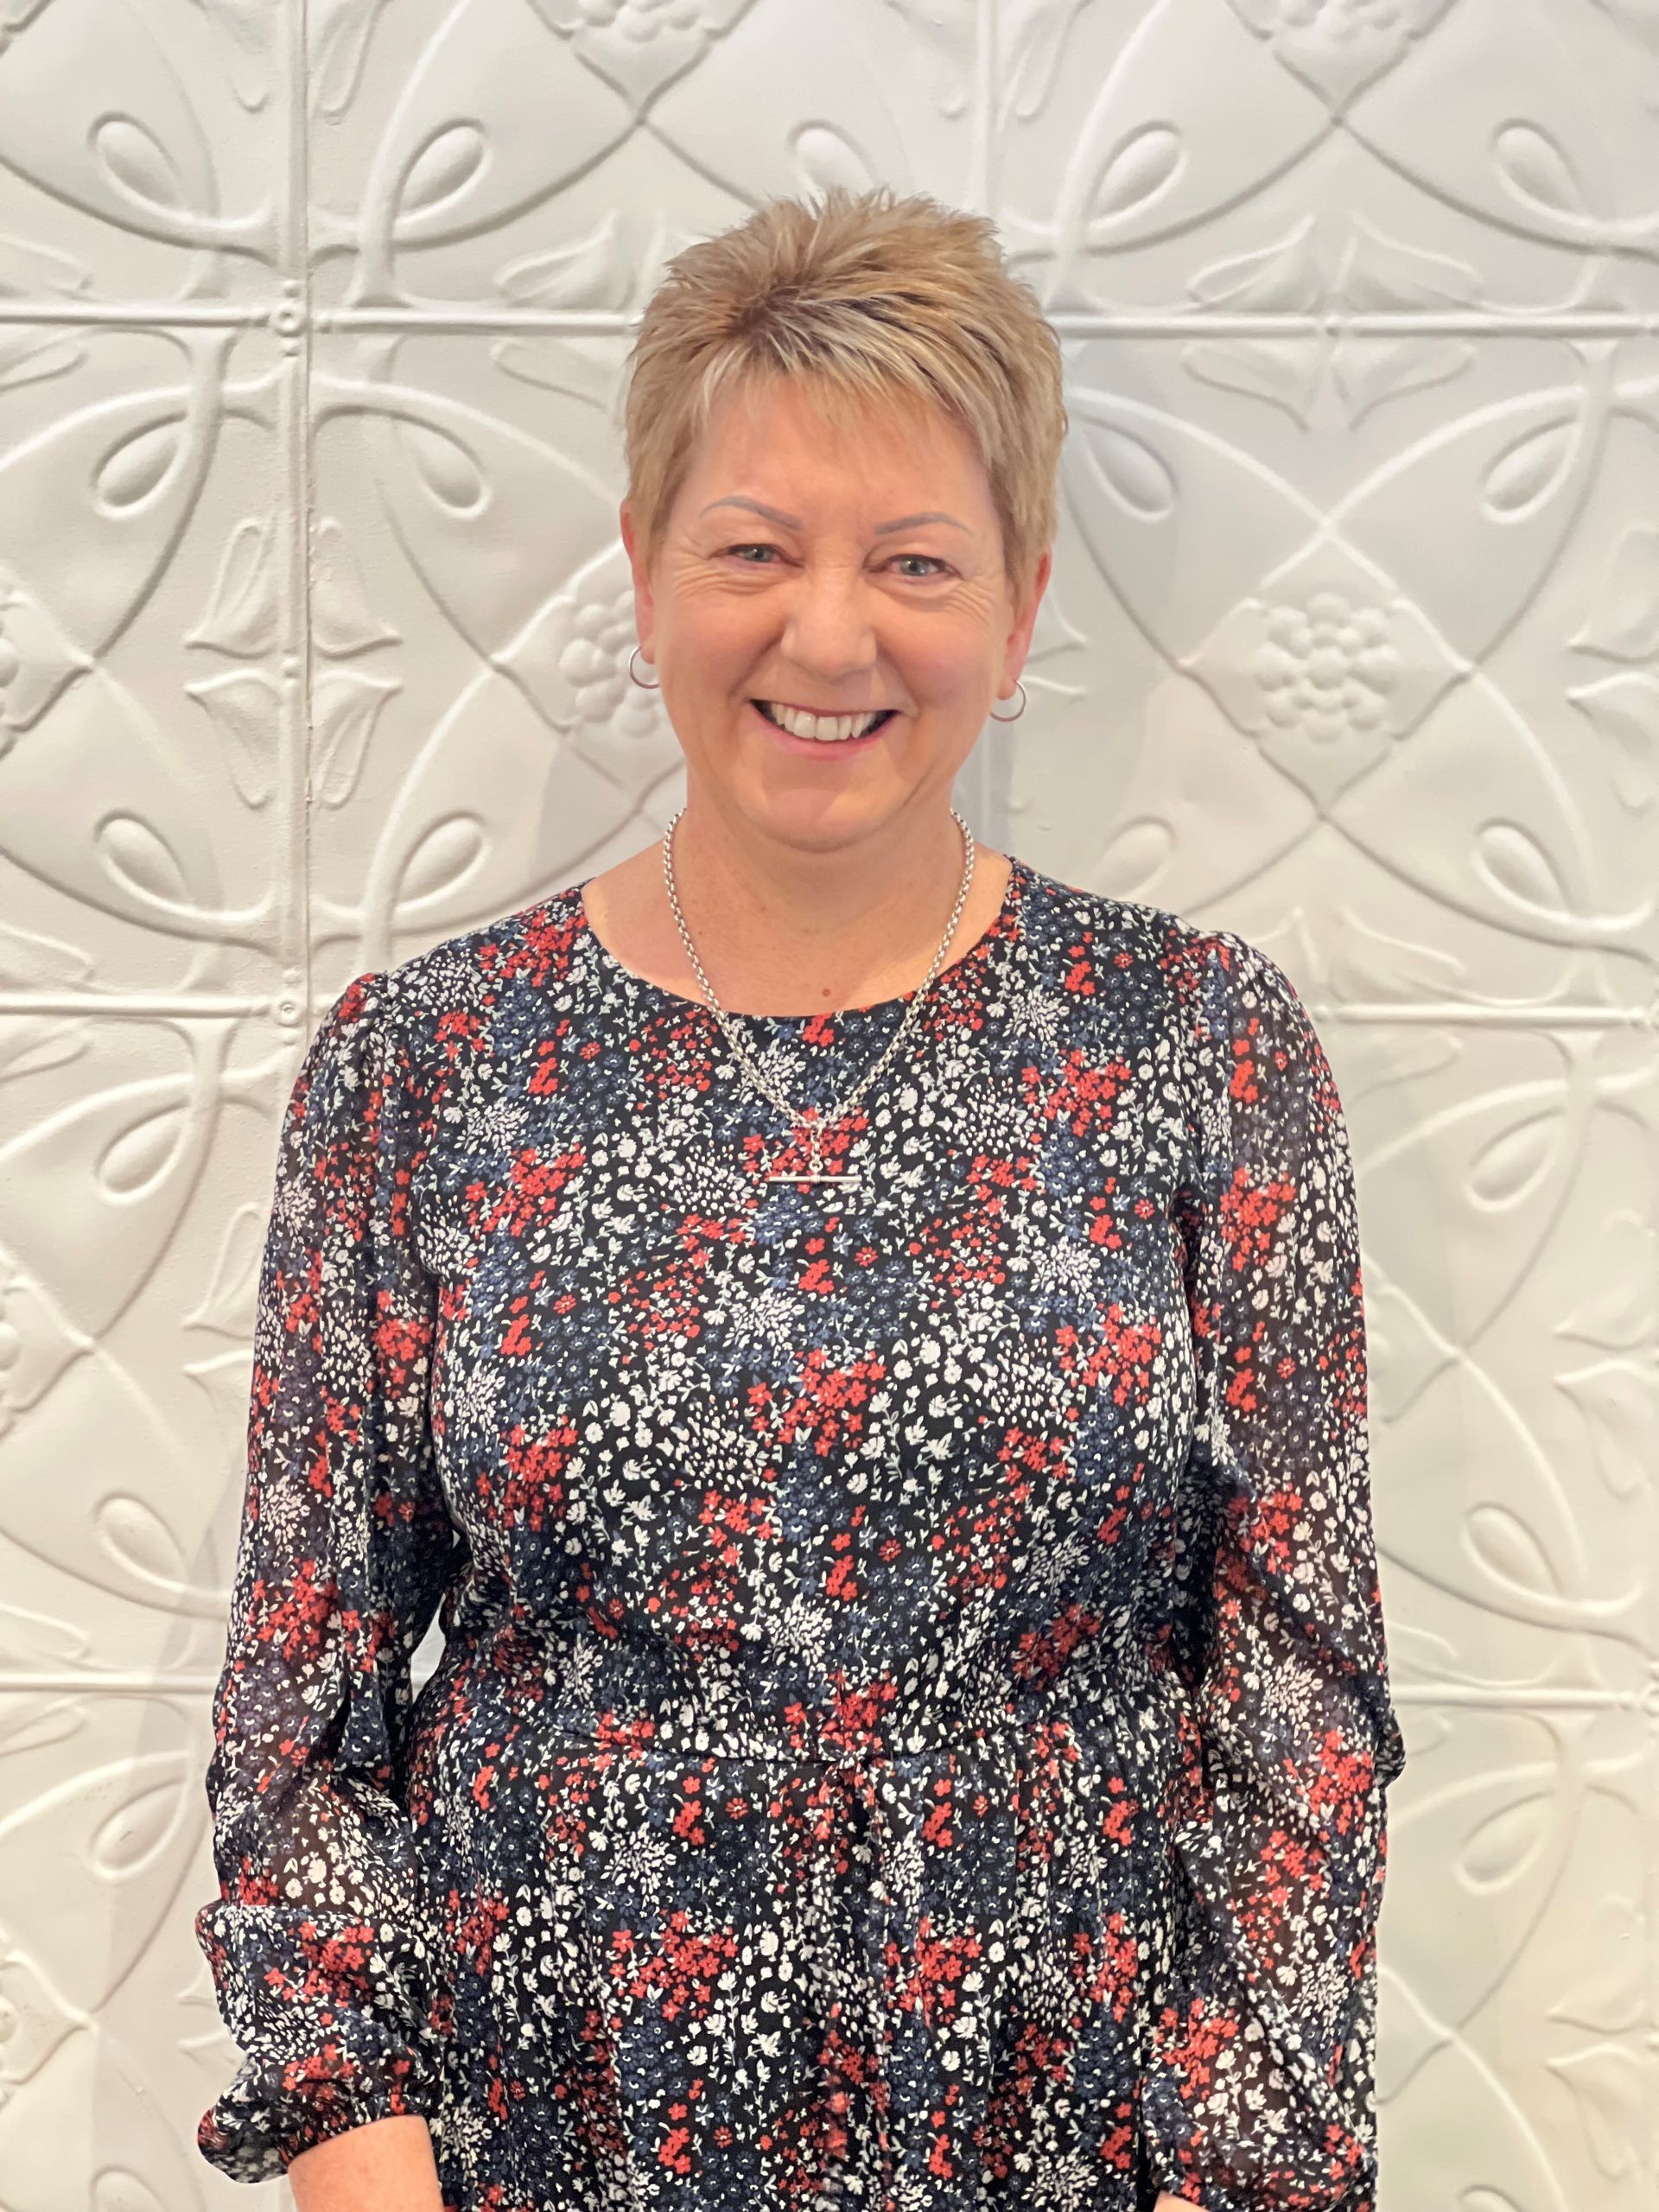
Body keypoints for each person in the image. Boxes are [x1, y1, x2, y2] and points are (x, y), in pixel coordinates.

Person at [191, 185, 1407, 2212]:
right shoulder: (425, 1065)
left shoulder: (1202, 1043)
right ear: (645, 572)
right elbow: (298, 1714)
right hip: (532, 2133)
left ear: (1017, 612)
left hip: (1070, 2141)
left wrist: (1233, 2175)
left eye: (915, 560)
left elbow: (1301, 1695)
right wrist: (371, 2167)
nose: (828, 632)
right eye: (754, 548)